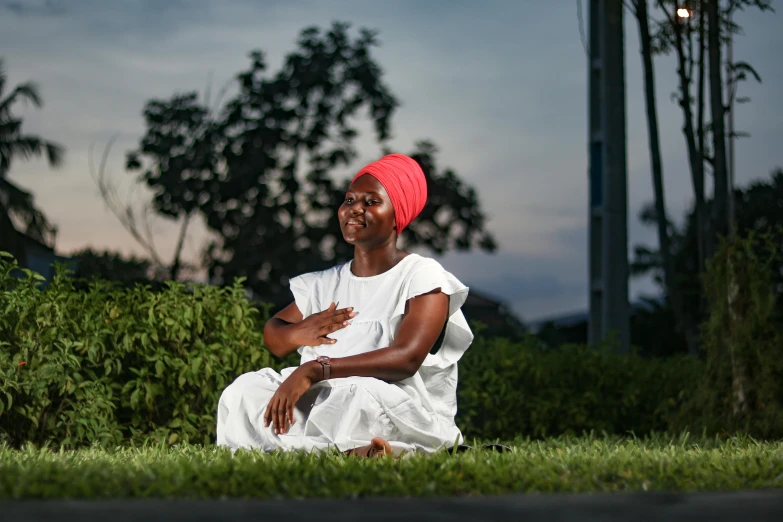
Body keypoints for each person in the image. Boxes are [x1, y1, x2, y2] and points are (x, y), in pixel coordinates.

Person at [216, 153, 473, 457]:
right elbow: (274, 335)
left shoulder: (421, 276)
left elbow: (406, 358)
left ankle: (336, 448)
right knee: (244, 390)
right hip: (323, 392)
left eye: (371, 202)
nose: (354, 210)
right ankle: (348, 451)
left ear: (397, 216)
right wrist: (299, 332)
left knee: (358, 396)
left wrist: (317, 369)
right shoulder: (324, 283)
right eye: (350, 200)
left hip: (385, 395)